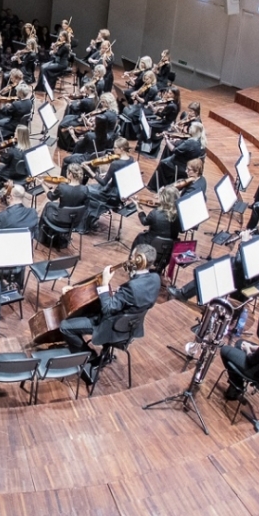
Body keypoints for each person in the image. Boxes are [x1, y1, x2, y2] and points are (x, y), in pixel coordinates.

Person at [60, 245, 160, 382]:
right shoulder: (155, 278)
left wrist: (105, 283)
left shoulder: (132, 287)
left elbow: (108, 308)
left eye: (132, 256)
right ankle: (102, 354)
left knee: (65, 326)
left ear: (138, 260)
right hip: (131, 327)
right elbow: (134, 298)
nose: (130, 259)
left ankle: (88, 357)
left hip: (112, 328)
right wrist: (119, 293)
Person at [40, 162, 92, 247]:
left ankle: (44, 238)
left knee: (48, 205)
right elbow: (85, 207)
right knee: (52, 205)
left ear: (70, 174)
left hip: (60, 220)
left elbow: (51, 197)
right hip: (74, 222)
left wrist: (43, 184)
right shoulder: (85, 189)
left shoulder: (62, 187)